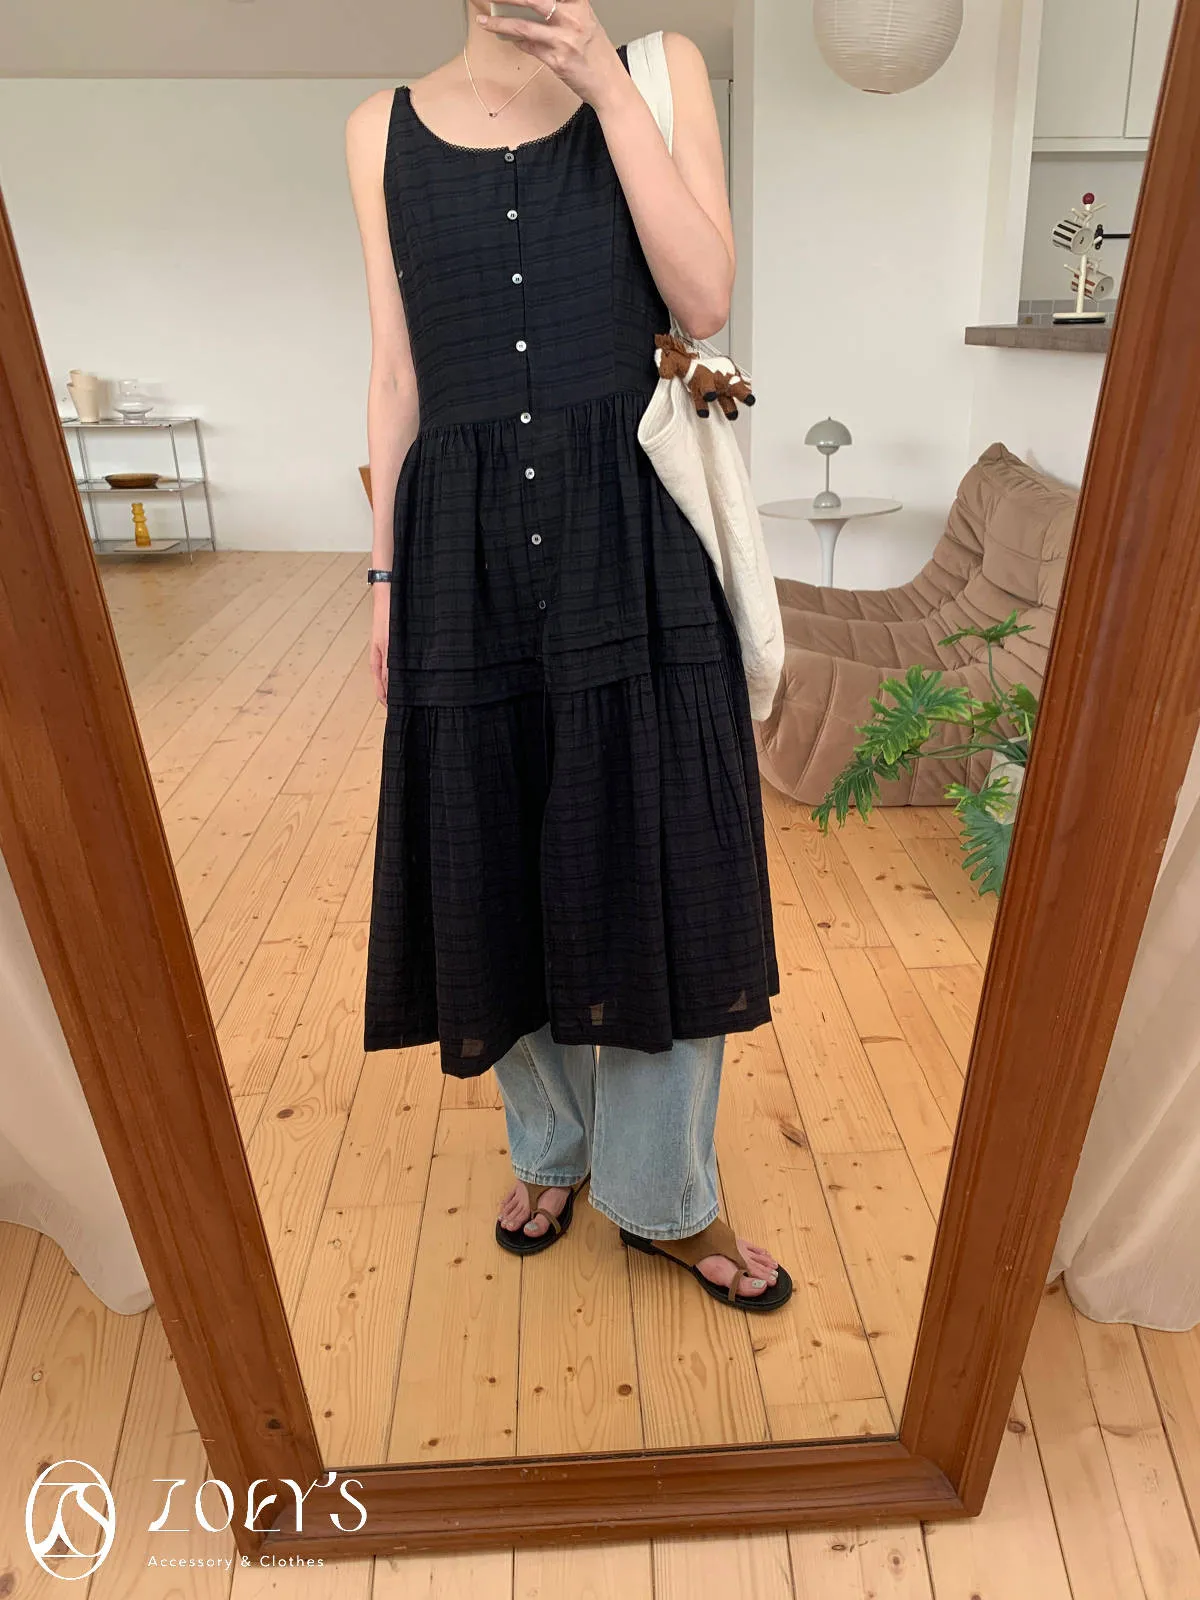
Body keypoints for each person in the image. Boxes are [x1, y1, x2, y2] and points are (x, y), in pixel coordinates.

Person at [346, 0, 789, 1310]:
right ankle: (551, 1144)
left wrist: (601, 79)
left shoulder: (659, 72)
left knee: (664, 854)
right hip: (461, 545)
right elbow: (396, 370)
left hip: (634, 525)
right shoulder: (377, 130)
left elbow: (703, 297)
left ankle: (663, 1193)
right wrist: (383, 575)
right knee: (489, 850)